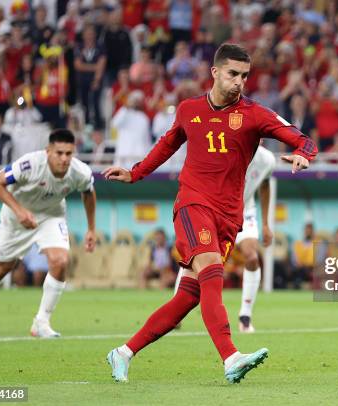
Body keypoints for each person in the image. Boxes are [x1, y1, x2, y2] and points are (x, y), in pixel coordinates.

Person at [103, 43, 317, 384]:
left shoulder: (254, 114)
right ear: (215, 72)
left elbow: (299, 137)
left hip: (229, 218)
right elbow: (167, 144)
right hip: (193, 204)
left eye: (245, 76)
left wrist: (305, 153)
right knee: (213, 270)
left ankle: (123, 352)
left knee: (188, 296)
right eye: (233, 74)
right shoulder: (189, 110)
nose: (239, 82)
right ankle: (230, 357)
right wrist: (136, 172)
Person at [0, 129, 97, 338]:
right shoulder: (30, 164)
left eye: (69, 153)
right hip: (16, 218)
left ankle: (41, 322)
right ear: (48, 151)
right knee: (2, 269)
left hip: (51, 216)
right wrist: (20, 212)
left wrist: (91, 229)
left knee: (61, 261)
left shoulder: (80, 172)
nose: (64, 159)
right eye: (59, 153)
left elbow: (88, 193)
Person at [235, 145, 276, 333]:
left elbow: (265, 185)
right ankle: (177, 312)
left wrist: (266, 224)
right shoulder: (227, 146)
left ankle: (245, 316)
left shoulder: (267, 159)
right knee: (198, 261)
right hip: (216, 207)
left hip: (245, 210)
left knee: (252, 257)